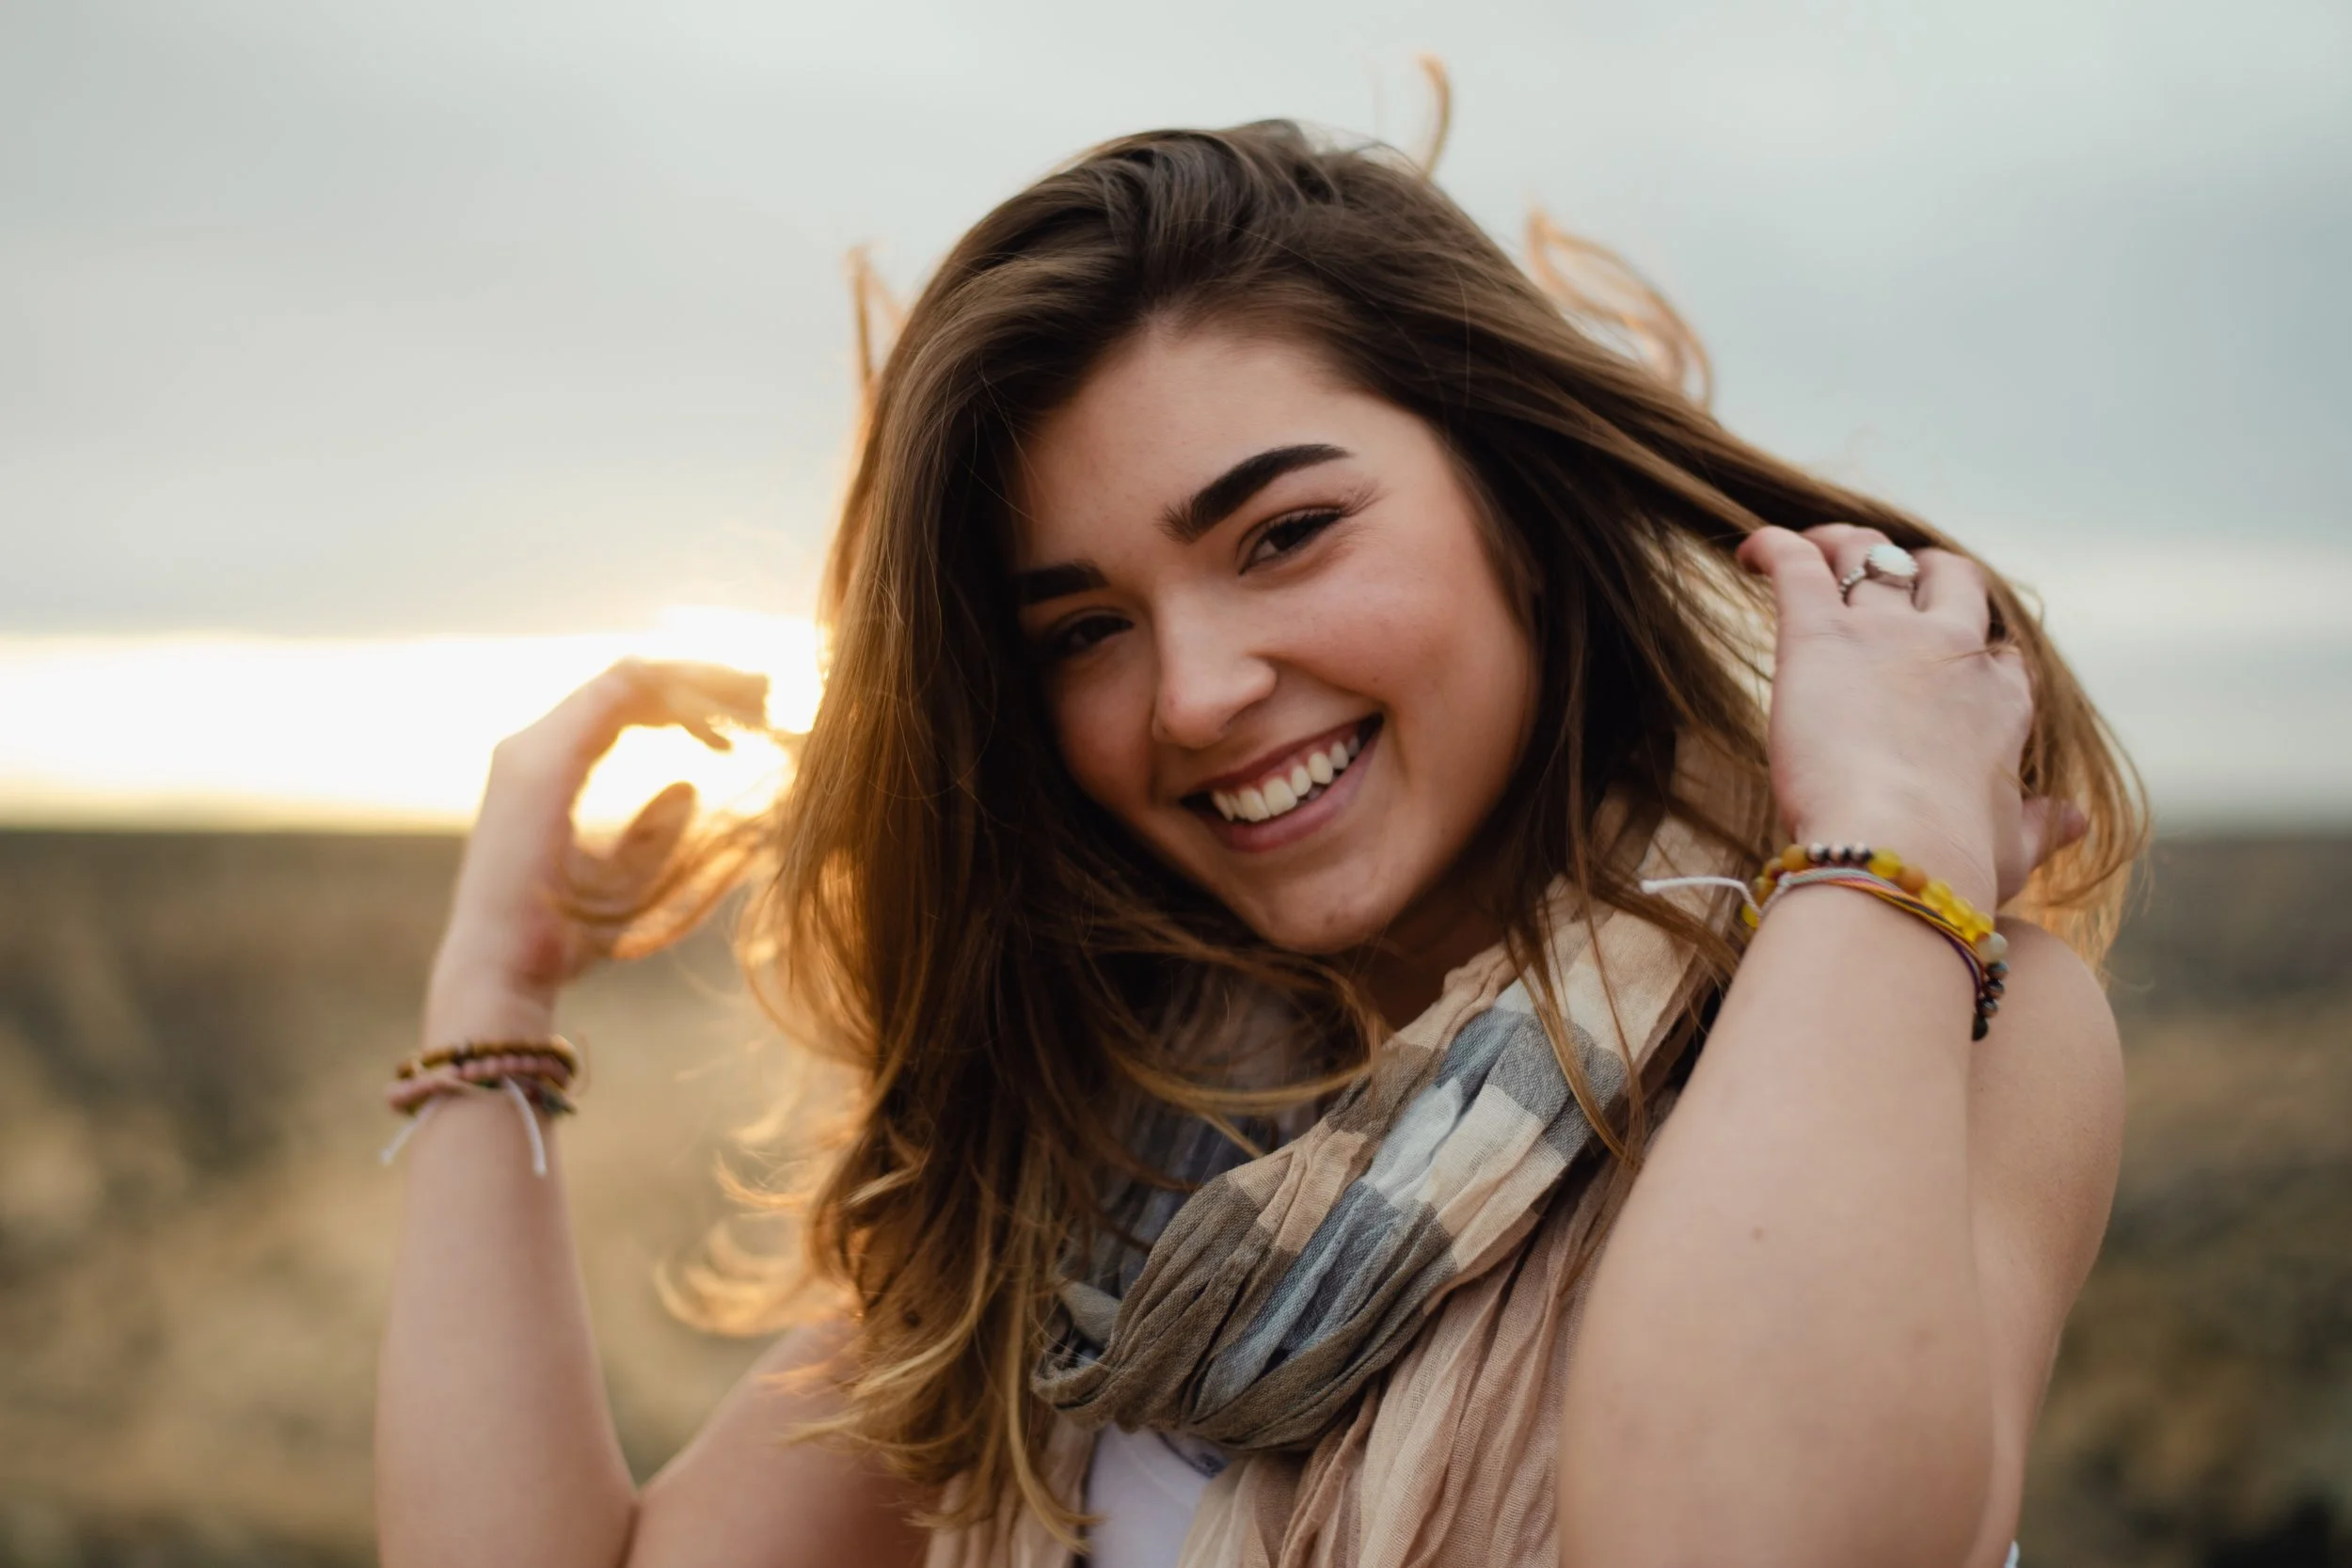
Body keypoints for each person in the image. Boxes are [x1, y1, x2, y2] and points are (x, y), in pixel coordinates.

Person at [374, 116, 2141, 1568]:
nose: (1196, 695)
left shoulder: (1960, 1015)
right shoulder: (1100, 1171)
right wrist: (493, 991)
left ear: (1514, 501)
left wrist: (1883, 845)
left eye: (1285, 532)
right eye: (1082, 629)